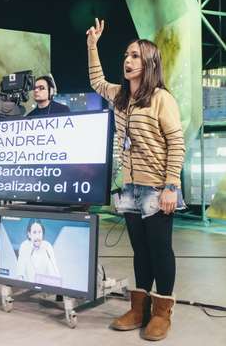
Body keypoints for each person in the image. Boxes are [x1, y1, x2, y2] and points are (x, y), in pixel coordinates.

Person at [86, 18, 185, 341]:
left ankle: (161, 313)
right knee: (140, 251)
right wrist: (92, 45)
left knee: (160, 250)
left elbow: (176, 142)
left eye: (135, 56)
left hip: (157, 188)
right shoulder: (119, 97)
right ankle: (139, 308)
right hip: (128, 189)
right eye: (127, 55)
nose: (128, 61)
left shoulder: (161, 98)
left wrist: (172, 185)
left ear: (150, 63)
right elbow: (97, 81)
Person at [16, 218, 61, 285]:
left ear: (43, 233)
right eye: (34, 232)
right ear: (29, 234)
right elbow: (19, 273)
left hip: (46, 288)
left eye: (40, 232)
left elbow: (55, 274)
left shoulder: (47, 246)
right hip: (28, 287)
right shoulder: (24, 246)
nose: (37, 236)